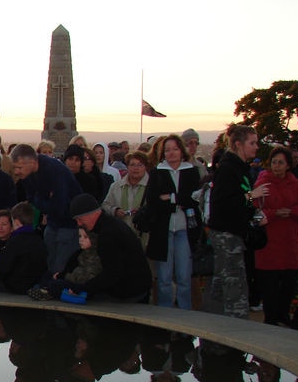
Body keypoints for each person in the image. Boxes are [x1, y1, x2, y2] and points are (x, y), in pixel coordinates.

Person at [205, 125, 270, 319]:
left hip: (235, 234)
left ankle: (218, 325)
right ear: (238, 144)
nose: (256, 147)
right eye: (252, 143)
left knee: (225, 282)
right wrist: (251, 195)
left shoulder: (241, 168)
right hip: (227, 236)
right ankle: (234, 327)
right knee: (234, 285)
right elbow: (225, 203)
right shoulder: (228, 169)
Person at [143, 134, 202, 309]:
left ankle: (184, 315)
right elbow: (153, 201)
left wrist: (171, 198)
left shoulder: (191, 172)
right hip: (163, 230)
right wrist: (177, 202)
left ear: (181, 151)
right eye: (167, 150)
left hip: (185, 229)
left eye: (175, 149)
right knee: (164, 278)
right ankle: (165, 315)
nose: (171, 153)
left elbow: (194, 199)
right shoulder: (157, 173)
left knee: (184, 277)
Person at [11, 143, 83, 274]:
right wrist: (45, 198)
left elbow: (59, 205)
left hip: (69, 224)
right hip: (52, 223)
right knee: (48, 263)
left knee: (61, 267)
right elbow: (32, 199)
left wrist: (42, 200)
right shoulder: (27, 176)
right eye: (15, 168)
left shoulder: (54, 170)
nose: (16, 172)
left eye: (19, 167)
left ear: (32, 162)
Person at [67, 193, 151, 302]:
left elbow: (112, 274)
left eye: (80, 219)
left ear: (92, 214)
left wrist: (84, 288)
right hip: (136, 287)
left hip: (130, 292)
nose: (79, 224)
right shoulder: (110, 224)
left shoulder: (108, 233)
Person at [253, 146, 298, 326]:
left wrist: (291, 211)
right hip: (269, 245)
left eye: (280, 162)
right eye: (274, 162)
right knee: (270, 289)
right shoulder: (262, 184)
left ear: (288, 165)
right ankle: (271, 320)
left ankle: (283, 318)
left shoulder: (297, 186)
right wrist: (274, 214)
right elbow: (255, 212)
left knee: (288, 287)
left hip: (290, 243)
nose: (277, 166)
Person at [0, 202, 47, 294]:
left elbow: (4, 267)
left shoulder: (15, 241)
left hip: (12, 290)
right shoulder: (39, 241)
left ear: (16, 221)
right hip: (31, 288)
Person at [102, 151, 149, 241]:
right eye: (132, 165)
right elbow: (105, 205)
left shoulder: (152, 187)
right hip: (121, 234)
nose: (136, 168)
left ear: (145, 167)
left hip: (144, 236)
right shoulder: (116, 186)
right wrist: (115, 210)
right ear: (127, 167)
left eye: (140, 165)